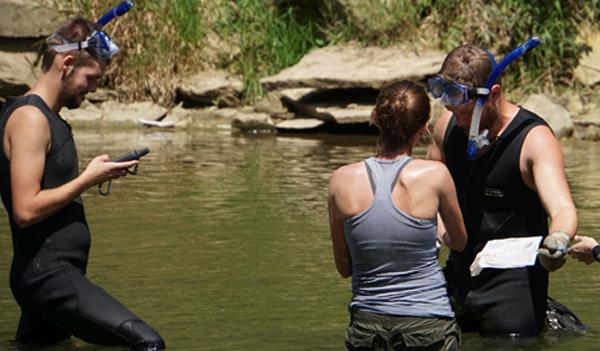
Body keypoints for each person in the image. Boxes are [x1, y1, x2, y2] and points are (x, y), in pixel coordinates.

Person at [0, 18, 165, 350]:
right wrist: (88, 179)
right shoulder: (30, 118)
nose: (93, 90)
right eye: (91, 79)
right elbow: (25, 210)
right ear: (68, 63)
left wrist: (97, 175)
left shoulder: (49, 119)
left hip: (50, 276)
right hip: (49, 278)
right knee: (148, 344)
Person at [427, 44, 578, 337]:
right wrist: (432, 232)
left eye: (466, 114)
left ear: (493, 95)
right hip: (459, 274)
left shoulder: (534, 140)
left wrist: (558, 240)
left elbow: (563, 209)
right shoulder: (446, 127)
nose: (458, 120)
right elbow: (428, 191)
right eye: (452, 111)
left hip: (513, 285)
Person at [328, 81, 467, 350]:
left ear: (374, 118)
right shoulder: (435, 176)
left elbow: (344, 268)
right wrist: (434, 227)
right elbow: (459, 242)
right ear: (425, 127)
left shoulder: (340, 181)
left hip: (367, 328)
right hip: (429, 326)